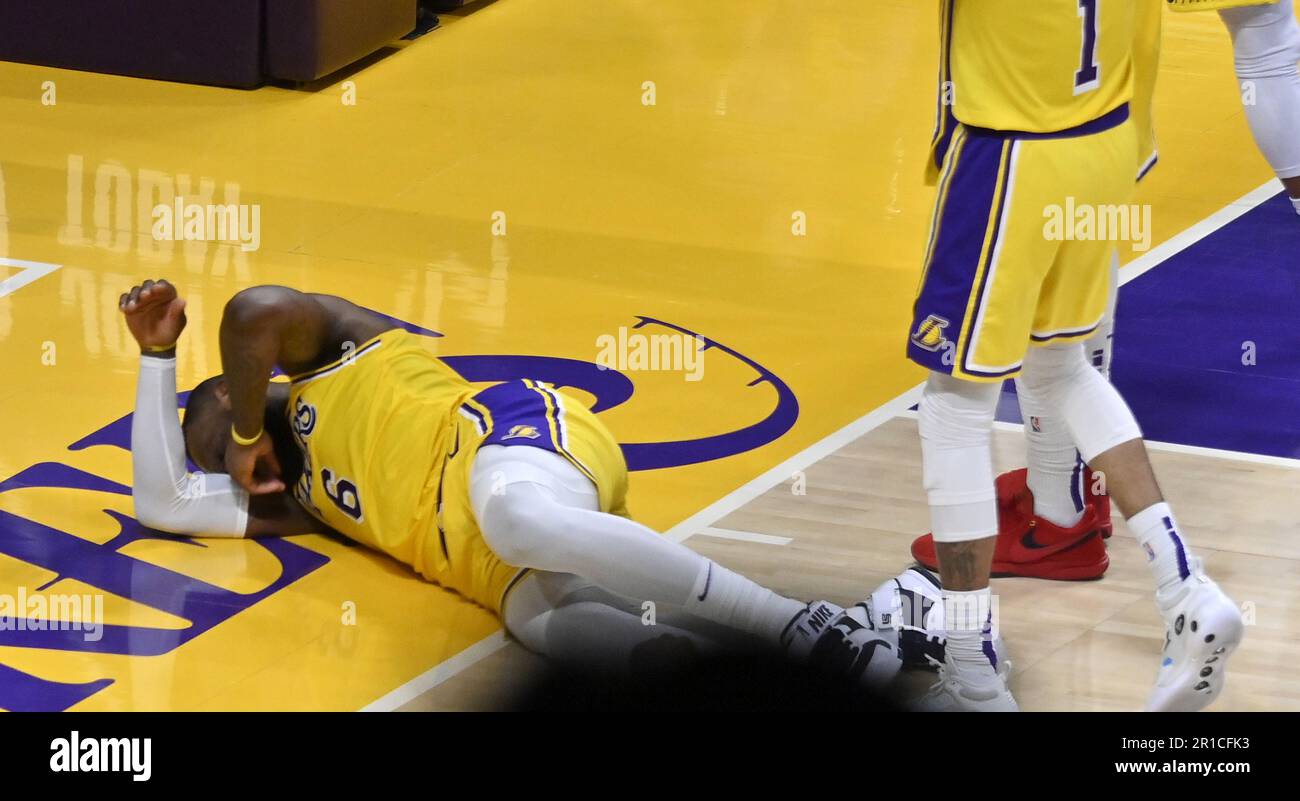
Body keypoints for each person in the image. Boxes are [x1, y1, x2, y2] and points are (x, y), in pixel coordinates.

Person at [120, 278, 894, 683]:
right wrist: (155, 365)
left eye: (214, 441)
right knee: (545, 625)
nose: (222, 466)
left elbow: (253, 310)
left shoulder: (337, 352)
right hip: (494, 567)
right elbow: (162, 499)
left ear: (233, 392)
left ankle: (796, 623)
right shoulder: (302, 500)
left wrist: (247, 435)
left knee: (515, 516)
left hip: (513, 441)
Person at [908, 0, 1243, 712]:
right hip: (1103, 145)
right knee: (1060, 367)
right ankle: (1187, 588)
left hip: (1010, 156)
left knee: (952, 407)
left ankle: (970, 668)